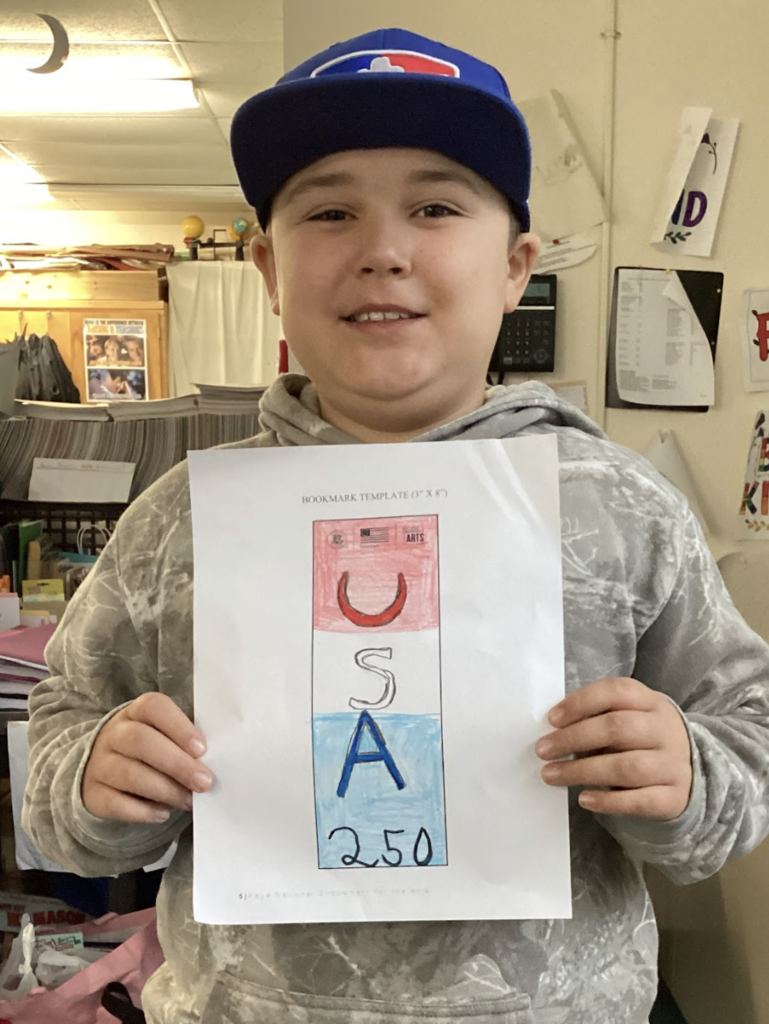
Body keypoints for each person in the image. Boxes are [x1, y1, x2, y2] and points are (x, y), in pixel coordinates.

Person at [23, 27, 769, 1024]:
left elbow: (746, 732)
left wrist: (686, 770)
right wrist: (94, 778)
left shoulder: (618, 508)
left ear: (515, 267)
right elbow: (62, 738)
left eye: (435, 207)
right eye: (330, 211)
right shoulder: (180, 521)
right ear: (267, 269)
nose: (382, 250)